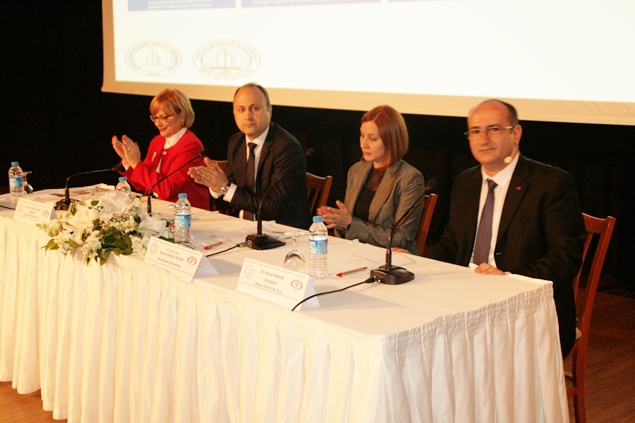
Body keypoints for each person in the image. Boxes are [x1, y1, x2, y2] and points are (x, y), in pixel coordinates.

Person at [425, 99, 586, 357]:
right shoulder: (466, 181)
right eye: (475, 131)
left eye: (494, 129)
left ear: (516, 133)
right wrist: (417, 265)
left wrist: (508, 278)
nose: (484, 139)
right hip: (465, 298)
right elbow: (452, 242)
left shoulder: (551, 183)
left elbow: (565, 257)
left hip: (527, 310)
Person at [188, 83, 310, 228]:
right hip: (242, 227)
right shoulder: (236, 142)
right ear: (234, 113)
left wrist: (225, 188)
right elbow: (229, 200)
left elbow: (273, 206)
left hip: (281, 231)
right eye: (241, 109)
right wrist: (216, 187)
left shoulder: (286, 148)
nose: (248, 116)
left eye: (255, 108)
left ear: (269, 110)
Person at [317, 105, 425, 254]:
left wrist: (350, 223)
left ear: (391, 140)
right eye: (362, 135)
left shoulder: (409, 178)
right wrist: (338, 221)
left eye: (373, 138)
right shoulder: (356, 170)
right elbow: (348, 228)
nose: (364, 144)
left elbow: (402, 238)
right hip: (355, 252)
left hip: (390, 257)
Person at [111, 88, 210, 210]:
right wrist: (127, 160)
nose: (158, 123)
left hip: (184, 212)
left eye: (164, 117)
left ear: (182, 115)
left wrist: (136, 163)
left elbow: (167, 189)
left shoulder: (191, 145)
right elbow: (143, 185)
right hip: (157, 208)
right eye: (155, 117)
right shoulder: (157, 141)